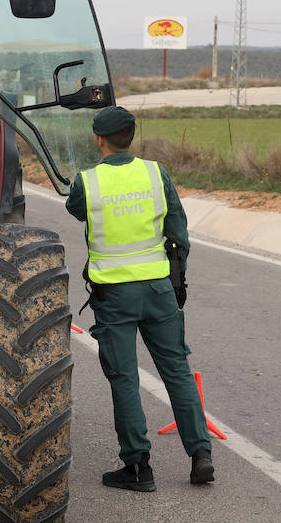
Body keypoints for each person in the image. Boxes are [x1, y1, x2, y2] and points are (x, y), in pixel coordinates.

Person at [65, 105, 214, 491]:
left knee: (125, 379)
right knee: (178, 372)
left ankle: (138, 467)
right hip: (159, 289)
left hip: (115, 295)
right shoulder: (155, 173)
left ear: (99, 139)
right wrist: (176, 280)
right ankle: (201, 455)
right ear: (132, 136)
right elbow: (179, 233)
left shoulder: (88, 182)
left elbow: (76, 210)